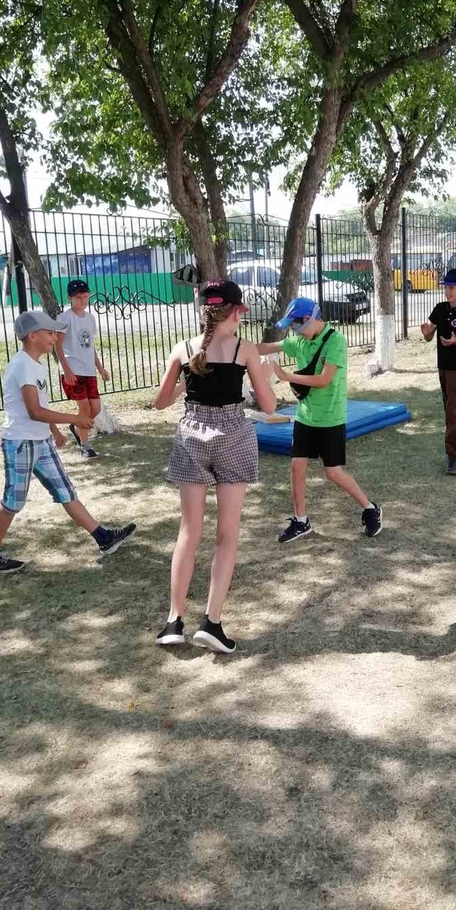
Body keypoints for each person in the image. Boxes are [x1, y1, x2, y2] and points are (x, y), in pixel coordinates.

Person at [152, 279, 276, 654]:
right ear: (236, 312)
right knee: (227, 535)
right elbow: (269, 406)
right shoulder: (245, 349)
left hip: (192, 434)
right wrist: (266, 375)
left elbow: (160, 402)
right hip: (234, 435)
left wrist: (188, 381)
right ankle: (212, 622)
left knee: (189, 532)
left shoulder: (183, 349)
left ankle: (174, 621)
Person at [0, 311, 136, 574]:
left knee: (65, 491)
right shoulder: (22, 365)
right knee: (13, 502)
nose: (55, 338)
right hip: (20, 442)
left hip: (41, 441)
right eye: (50, 333)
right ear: (33, 336)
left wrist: (54, 432)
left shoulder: (36, 364)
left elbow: (41, 407)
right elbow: (34, 412)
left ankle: (104, 539)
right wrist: (75, 419)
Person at [258, 298, 382, 543]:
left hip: (331, 419)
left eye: (294, 325)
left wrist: (285, 376)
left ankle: (370, 508)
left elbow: (323, 380)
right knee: (297, 466)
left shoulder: (336, 341)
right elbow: (266, 347)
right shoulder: (299, 341)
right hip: (305, 417)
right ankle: (301, 520)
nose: (293, 330)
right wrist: (233, 345)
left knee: (333, 473)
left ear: (308, 319)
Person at [420, 268, 456, 475]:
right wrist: (427, 333)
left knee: (452, 415)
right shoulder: (440, 309)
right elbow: (429, 335)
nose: (448, 291)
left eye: (452, 287)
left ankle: (453, 457)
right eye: (446, 287)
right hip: (442, 367)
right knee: (452, 412)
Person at [55, 278, 108, 460]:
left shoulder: (90, 318)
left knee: (96, 408)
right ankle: (85, 446)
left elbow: (90, 346)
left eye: (85, 297)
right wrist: (66, 370)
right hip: (73, 369)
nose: (83, 301)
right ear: (70, 298)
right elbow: (58, 345)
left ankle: (77, 425)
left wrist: (100, 368)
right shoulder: (65, 318)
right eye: (78, 297)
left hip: (88, 370)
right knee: (84, 407)